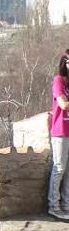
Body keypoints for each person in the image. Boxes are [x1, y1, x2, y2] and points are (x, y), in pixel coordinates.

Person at [47, 51, 69, 220]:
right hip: (60, 130)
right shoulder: (58, 80)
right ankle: (53, 206)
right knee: (59, 168)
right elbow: (63, 104)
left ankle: (67, 204)